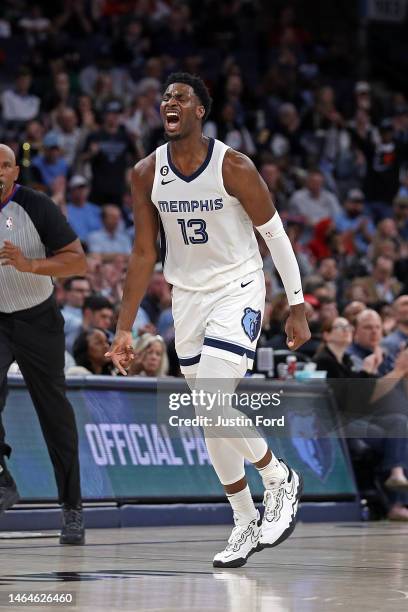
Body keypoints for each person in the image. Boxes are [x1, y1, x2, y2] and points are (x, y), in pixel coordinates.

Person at [106, 73, 310, 568]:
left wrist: (298, 303)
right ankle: (243, 519)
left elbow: (276, 236)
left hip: (237, 290)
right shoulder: (145, 172)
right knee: (208, 417)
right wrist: (123, 327)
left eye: (182, 97)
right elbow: (141, 254)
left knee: (216, 402)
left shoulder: (234, 166)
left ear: (201, 111)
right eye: (166, 97)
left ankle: (278, 476)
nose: (170, 102)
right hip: (188, 298)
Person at [0, 143, 86, 544]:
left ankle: (72, 509)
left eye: (4, 165)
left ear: (15, 172)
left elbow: (76, 261)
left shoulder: (36, 206)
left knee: (55, 415)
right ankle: (2, 479)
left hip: (37, 319)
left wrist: (31, 265)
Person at [313, 317, 408, 520]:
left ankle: (396, 475)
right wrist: (367, 371)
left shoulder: (347, 361)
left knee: (399, 422)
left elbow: (363, 400)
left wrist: (370, 372)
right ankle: (396, 502)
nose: (346, 329)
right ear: (327, 335)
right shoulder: (323, 361)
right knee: (393, 438)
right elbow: (349, 403)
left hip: (357, 419)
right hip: (337, 422)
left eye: (348, 326)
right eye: (339, 327)